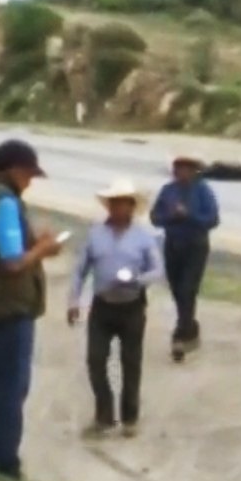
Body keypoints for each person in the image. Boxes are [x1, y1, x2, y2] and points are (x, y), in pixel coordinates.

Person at [66, 180, 165, 438]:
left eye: (123, 203)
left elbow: (157, 269)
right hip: (102, 306)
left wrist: (137, 280)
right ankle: (104, 414)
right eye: (113, 203)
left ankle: (130, 417)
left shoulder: (144, 236)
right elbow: (81, 269)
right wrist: (74, 300)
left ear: (132, 207)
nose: (117, 208)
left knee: (131, 362)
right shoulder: (96, 233)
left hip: (131, 305)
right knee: (96, 360)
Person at [0, 140, 63, 480]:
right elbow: (12, 263)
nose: (30, 181)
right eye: (28, 173)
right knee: (9, 388)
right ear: (13, 170)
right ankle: (4, 463)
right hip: (7, 309)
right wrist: (43, 249)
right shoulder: (3, 201)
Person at [150, 154, 220, 359]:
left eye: (184, 168)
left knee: (187, 289)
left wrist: (188, 215)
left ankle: (180, 336)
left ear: (193, 170)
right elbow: (155, 217)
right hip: (172, 244)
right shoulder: (168, 190)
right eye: (177, 167)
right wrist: (171, 216)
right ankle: (190, 326)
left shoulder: (203, 191)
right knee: (176, 289)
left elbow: (213, 219)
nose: (180, 171)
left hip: (195, 245)